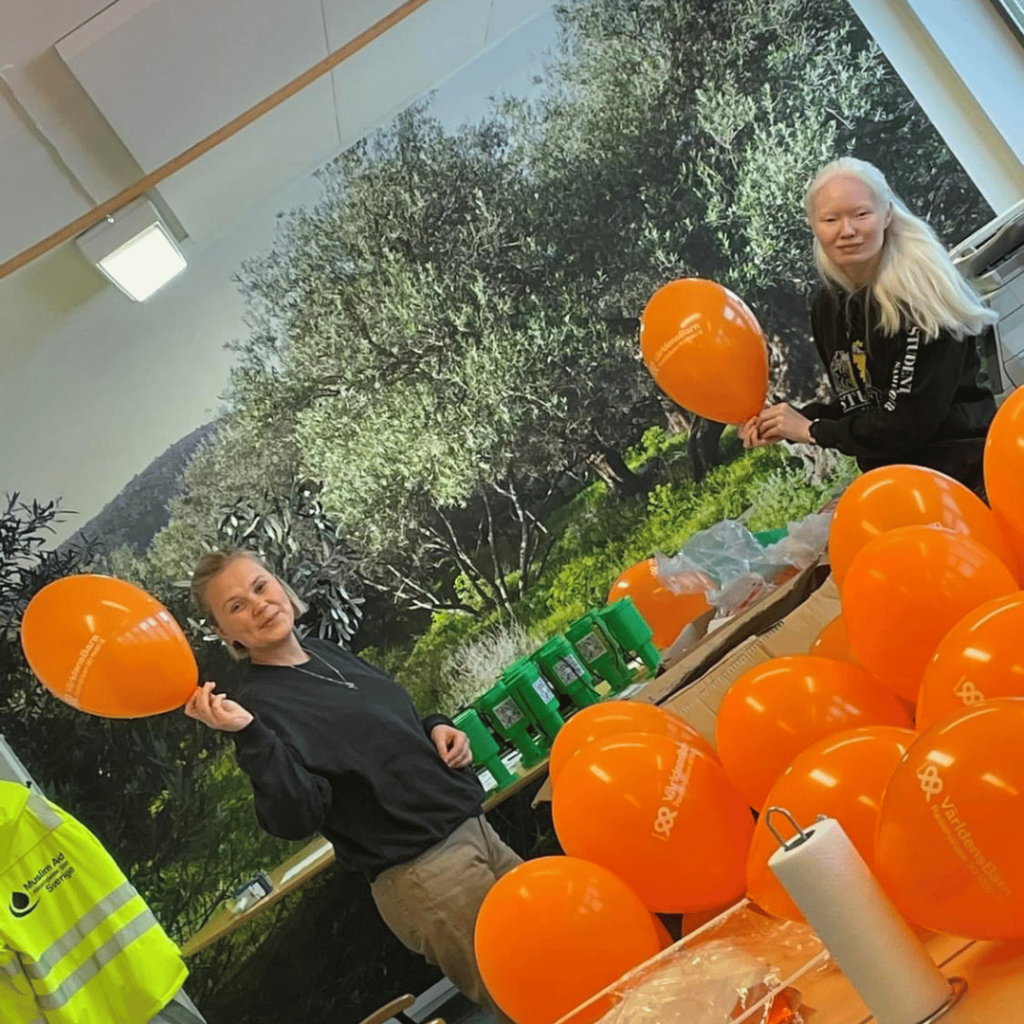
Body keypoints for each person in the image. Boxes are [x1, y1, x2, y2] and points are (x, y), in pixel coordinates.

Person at [183, 549, 521, 1022]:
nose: (258, 604)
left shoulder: (325, 652)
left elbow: (386, 729)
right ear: (223, 632)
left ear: (279, 585)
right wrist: (249, 735)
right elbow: (295, 816)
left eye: (260, 586)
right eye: (236, 606)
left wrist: (437, 726)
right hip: (427, 874)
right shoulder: (258, 708)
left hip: (474, 830)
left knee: (568, 954)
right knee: (531, 997)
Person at [741, 157, 998, 497]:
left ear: (887, 215)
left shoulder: (920, 295)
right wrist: (788, 421)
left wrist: (813, 430)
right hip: (899, 484)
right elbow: (864, 403)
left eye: (861, 214)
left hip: (968, 480)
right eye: (831, 219)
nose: (847, 231)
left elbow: (905, 422)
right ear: (814, 226)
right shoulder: (828, 306)